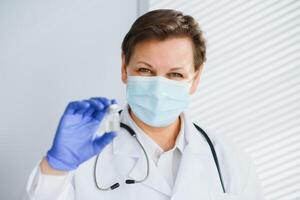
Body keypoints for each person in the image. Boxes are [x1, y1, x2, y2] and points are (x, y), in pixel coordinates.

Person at [23, 9, 264, 200]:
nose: (159, 88)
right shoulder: (82, 154)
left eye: (175, 75)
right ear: (124, 68)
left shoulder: (230, 161)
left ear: (196, 78)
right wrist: (55, 167)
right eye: (145, 70)